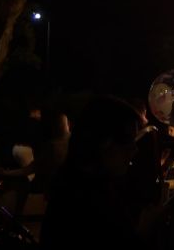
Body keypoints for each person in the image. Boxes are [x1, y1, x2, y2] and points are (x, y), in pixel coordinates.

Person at [41, 97, 155, 249]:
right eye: (129, 141)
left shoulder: (73, 184)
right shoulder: (85, 203)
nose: (135, 149)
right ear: (105, 143)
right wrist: (146, 229)